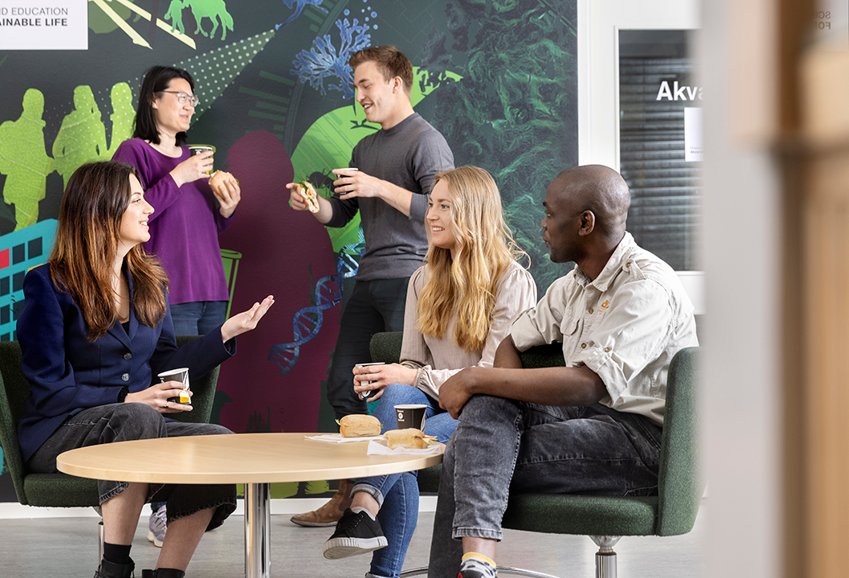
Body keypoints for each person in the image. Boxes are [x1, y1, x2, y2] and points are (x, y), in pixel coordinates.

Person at [425, 165, 699, 578]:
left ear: (585, 223)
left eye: (551, 214)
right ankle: (478, 563)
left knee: (468, 449)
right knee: (487, 407)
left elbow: (588, 385)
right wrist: (495, 395)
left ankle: (469, 565)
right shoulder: (571, 285)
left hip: (644, 444)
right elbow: (511, 342)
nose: (543, 224)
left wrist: (474, 378)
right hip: (588, 420)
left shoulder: (645, 287)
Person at [16, 161, 274, 578]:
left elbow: (164, 367)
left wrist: (224, 334)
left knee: (218, 442)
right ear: (102, 210)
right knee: (137, 416)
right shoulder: (48, 285)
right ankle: (114, 568)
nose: (149, 208)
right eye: (137, 199)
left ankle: (168, 573)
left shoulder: (150, 281)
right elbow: (49, 388)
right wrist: (130, 399)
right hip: (59, 433)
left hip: (135, 426)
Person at [319, 166, 536, 578]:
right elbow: (413, 364)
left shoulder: (512, 281)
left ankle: (369, 530)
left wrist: (412, 378)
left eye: (444, 207)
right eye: (431, 205)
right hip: (436, 405)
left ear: (473, 213)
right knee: (396, 399)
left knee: (397, 433)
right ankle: (367, 519)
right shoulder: (422, 279)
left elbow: (492, 376)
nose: (430, 216)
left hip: (488, 414)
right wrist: (389, 376)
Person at [287, 45, 454, 527]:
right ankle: (349, 499)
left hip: (415, 282)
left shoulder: (427, 141)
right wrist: (314, 205)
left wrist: (377, 186)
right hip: (368, 280)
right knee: (345, 386)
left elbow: (444, 210)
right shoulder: (365, 149)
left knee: (399, 396)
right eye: (355, 85)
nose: (358, 94)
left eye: (365, 84)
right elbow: (342, 215)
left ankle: (384, 504)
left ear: (395, 84)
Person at [113, 65, 242, 543]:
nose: (189, 105)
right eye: (180, 96)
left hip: (211, 288)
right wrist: (180, 174)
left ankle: (186, 496)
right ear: (153, 99)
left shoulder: (196, 157)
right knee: (173, 395)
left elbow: (203, 226)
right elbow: (127, 209)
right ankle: (158, 504)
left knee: (200, 395)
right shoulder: (134, 152)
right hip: (166, 289)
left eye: (193, 98)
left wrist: (226, 208)